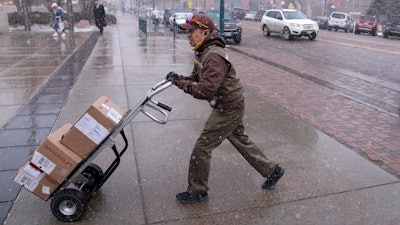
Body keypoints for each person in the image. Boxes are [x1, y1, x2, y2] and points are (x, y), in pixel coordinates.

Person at [166, 14, 285, 204]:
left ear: (204, 32)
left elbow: (205, 90)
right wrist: (179, 78)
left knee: (202, 147)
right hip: (229, 104)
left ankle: (198, 191)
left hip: (228, 108)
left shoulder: (213, 56)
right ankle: (272, 170)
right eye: (187, 32)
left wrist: (181, 84)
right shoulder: (202, 51)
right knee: (241, 141)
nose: (188, 35)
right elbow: (196, 80)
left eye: (191, 31)